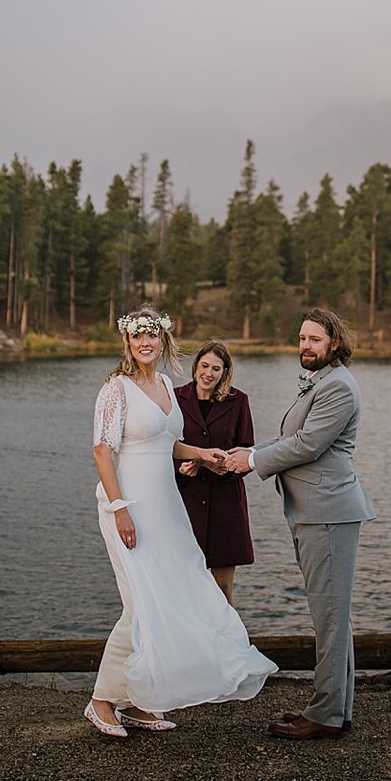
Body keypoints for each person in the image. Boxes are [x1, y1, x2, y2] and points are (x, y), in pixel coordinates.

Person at [87, 306, 276, 739]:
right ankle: (101, 700)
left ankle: (137, 702)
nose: (145, 343)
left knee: (172, 596)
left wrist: (202, 455)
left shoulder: (167, 385)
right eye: (138, 337)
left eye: (152, 336)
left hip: (167, 507)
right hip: (129, 505)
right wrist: (119, 508)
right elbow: (102, 450)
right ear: (128, 343)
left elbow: (168, 442)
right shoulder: (117, 389)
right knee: (140, 604)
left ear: (164, 340)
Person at [224, 307, 375, 740]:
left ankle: (326, 715)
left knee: (328, 618)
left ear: (334, 343)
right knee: (335, 617)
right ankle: (335, 708)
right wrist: (242, 453)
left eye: (314, 339)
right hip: (315, 512)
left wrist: (250, 461)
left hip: (328, 514)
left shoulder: (339, 387)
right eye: (302, 338)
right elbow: (290, 440)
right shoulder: (322, 383)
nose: (305, 345)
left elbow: (308, 445)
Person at [174, 339, 255, 606]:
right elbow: (163, 448)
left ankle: (228, 646)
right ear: (195, 366)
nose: (208, 373)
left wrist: (220, 466)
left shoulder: (239, 401)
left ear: (225, 371)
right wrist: (183, 466)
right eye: (204, 366)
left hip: (225, 505)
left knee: (223, 588)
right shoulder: (175, 398)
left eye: (216, 369)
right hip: (186, 503)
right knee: (184, 586)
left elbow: (246, 450)